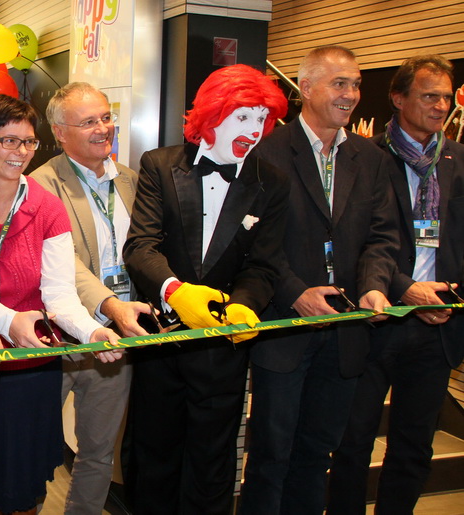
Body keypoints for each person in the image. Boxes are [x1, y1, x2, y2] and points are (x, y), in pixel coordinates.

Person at [0, 94, 122, 515]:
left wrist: (93, 331)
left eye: (29, 142)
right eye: (8, 141)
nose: (21, 152)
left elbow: (60, 293)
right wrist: (10, 321)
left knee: (24, 488)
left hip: (31, 369)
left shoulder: (47, 207)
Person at [122, 64, 289, 514]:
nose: (254, 130)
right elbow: (140, 246)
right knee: (152, 461)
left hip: (222, 351)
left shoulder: (271, 182)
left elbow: (264, 265)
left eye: (262, 119)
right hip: (161, 343)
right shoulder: (160, 164)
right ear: (213, 114)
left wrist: (243, 306)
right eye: (243, 116)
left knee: (212, 467)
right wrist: (176, 290)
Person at [240, 45, 398, 514]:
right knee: (270, 457)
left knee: (316, 456)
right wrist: (295, 293)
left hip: (346, 333)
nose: (351, 94)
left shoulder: (370, 158)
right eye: (339, 83)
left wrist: (374, 285)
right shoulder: (265, 151)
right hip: (284, 330)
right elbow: (253, 240)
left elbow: (382, 236)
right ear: (306, 88)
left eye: (356, 84)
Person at [328, 54, 464, 514]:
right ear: (398, 98)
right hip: (376, 318)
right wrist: (404, 288)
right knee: (353, 443)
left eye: (445, 97)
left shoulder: (457, 159)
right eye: (429, 96)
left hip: (438, 326)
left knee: (414, 447)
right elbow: (354, 240)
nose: (440, 106)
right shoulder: (365, 158)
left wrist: (448, 296)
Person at [32, 82, 151, 514]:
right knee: (33, 445)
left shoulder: (133, 181)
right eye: (88, 122)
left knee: (98, 451)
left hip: (116, 337)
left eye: (106, 117)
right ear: (60, 133)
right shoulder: (40, 185)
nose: (103, 129)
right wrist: (110, 304)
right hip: (56, 335)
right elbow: (66, 266)